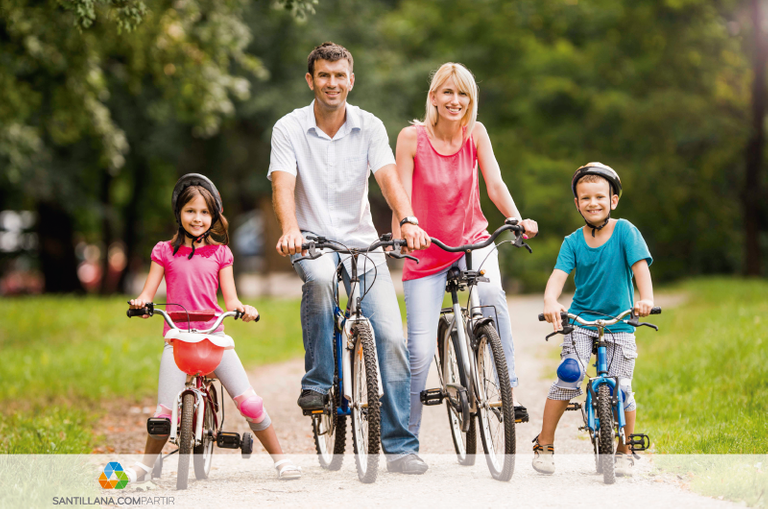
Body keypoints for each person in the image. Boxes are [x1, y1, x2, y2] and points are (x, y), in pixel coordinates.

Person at [268, 42, 431, 474]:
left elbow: (387, 177)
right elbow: (283, 185)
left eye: (340, 76)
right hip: (311, 241)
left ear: (351, 80)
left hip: (362, 243)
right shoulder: (289, 127)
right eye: (324, 75)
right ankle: (319, 383)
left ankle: (399, 447)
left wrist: (408, 218)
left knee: (392, 339)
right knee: (319, 281)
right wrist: (289, 230)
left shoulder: (370, 126)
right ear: (311, 80)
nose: (332, 83)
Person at [392, 62, 538, 437]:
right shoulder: (411, 138)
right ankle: (405, 437)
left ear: (470, 101)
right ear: (434, 97)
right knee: (420, 351)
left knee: (490, 293)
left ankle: (507, 388)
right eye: (448, 92)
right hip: (425, 249)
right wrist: (402, 233)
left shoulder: (476, 134)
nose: (455, 101)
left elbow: (495, 184)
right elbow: (401, 197)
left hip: (471, 238)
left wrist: (518, 219)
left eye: (463, 94)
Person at [126, 173, 300, 482]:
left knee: (250, 403)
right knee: (163, 414)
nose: (197, 218)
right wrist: (141, 304)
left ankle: (281, 460)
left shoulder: (221, 253)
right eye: (190, 210)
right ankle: (143, 466)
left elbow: (231, 300)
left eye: (205, 212)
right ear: (179, 213)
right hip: (177, 340)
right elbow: (147, 293)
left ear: (214, 216)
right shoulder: (163, 251)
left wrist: (244, 310)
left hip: (213, 339)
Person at [533, 162, 655, 477]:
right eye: (585, 198)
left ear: (613, 200)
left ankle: (625, 449)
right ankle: (545, 443)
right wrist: (550, 301)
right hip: (581, 321)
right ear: (577, 203)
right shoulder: (572, 241)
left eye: (600, 196)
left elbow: (641, 268)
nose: (593, 203)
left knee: (623, 388)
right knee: (569, 376)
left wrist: (646, 300)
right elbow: (558, 276)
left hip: (621, 322)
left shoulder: (626, 231)